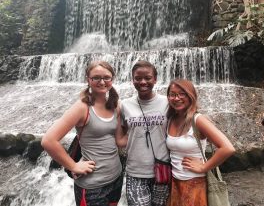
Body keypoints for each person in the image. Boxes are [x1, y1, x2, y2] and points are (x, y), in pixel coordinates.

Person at [41, 61, 123, 206]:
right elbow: (48, 140)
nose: (102, 81)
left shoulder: (115, 104)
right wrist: (73, 166)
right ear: (88, 80)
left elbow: (120, 141)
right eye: (96, 78)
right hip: (92, 186)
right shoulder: (82, 107)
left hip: (116, 178)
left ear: (112, 79)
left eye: (106, 77)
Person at [166, 79, 235, 206]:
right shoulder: (171, 119)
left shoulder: (198, 120)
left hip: (195, 183)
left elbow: (227, 148)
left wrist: (204, 166)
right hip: (174, 182)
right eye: (172, 94)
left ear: (191, 96)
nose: (177, 98)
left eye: (182, 94)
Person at [116, 60, 170, 206]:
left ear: (155, 79)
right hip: (135, 172)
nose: (143, 82)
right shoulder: (125, 105)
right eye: (138, 78)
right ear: (132, 80)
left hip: (163, 170)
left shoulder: (167, 102)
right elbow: (120, 138)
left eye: (148, 78)